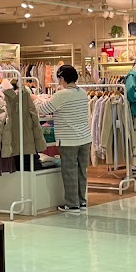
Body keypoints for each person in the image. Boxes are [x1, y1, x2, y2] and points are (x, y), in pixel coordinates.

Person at [37, 65, 92, 213]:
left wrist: (35, 99)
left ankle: (72, 204)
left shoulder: (61, 94)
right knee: (81, 171)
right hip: (85, 138)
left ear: (61, 78)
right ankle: (81, 201)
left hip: (69, 139)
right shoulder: (82, 93)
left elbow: (43, 109)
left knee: (69, 171)